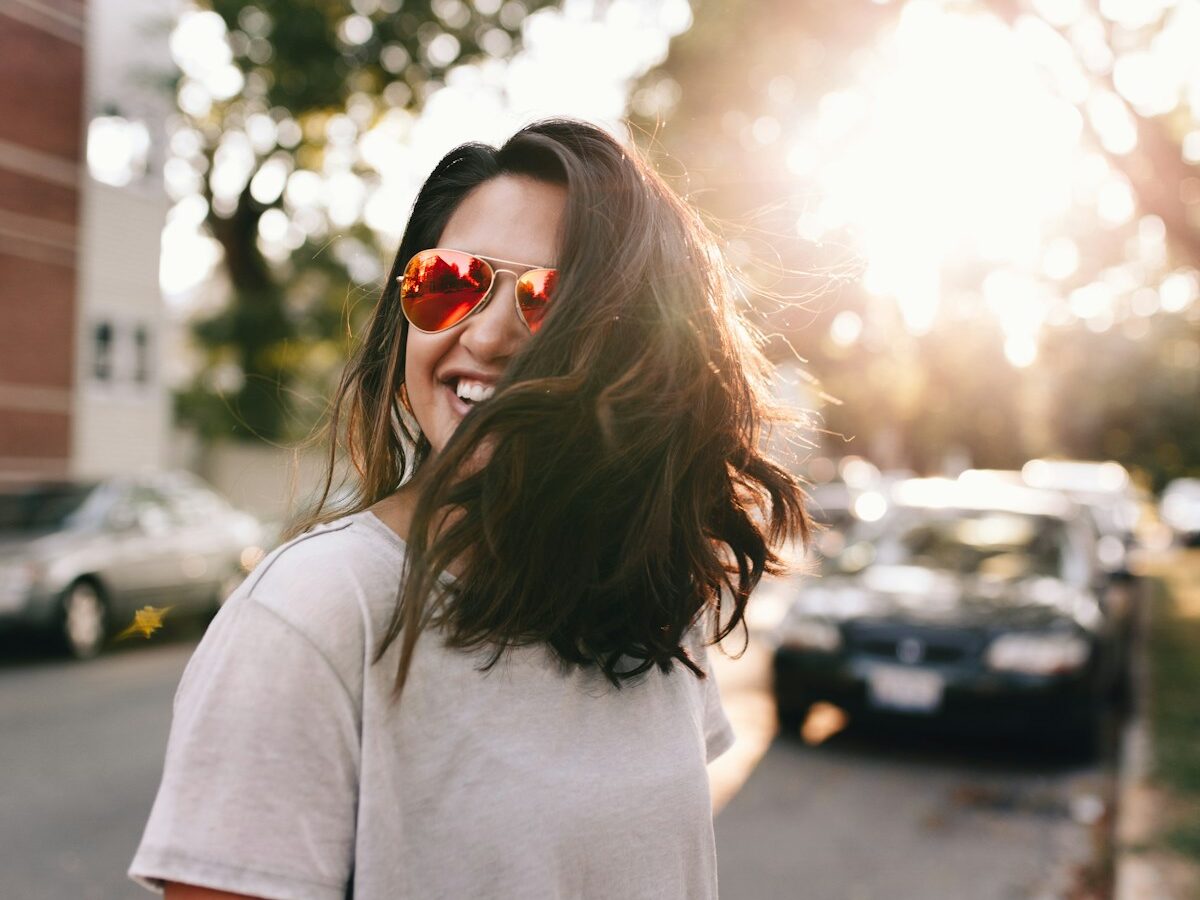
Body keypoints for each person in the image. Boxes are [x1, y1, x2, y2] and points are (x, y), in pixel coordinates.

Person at [129, 118, 810, 900]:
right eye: (450, 282)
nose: (486, 337)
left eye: (550, 302)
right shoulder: (314, 612)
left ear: (644, 353)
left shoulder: (648, 599)